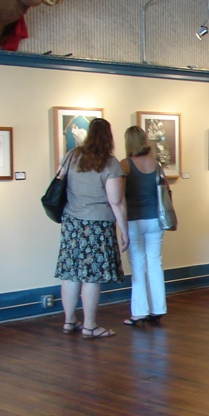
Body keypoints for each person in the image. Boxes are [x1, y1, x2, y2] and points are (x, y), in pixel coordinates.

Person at [55, 118, 129, 339]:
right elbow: (116, 201)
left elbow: (59, 179)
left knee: (71, 274)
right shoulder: (110, 163)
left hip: (72, 223)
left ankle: (69, 321)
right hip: (97, 225)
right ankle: (89, 326)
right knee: (91, 277)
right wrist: (124, 230)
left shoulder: (72, 155)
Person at [120, 126, 168, 326]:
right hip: (155, 220)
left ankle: (139, 312)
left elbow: (119, 196)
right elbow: (166, 191)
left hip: (134, 220)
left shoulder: (125, 165)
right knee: (155, 263)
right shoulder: (156, 164)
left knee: (137, 266)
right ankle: (158, 309)